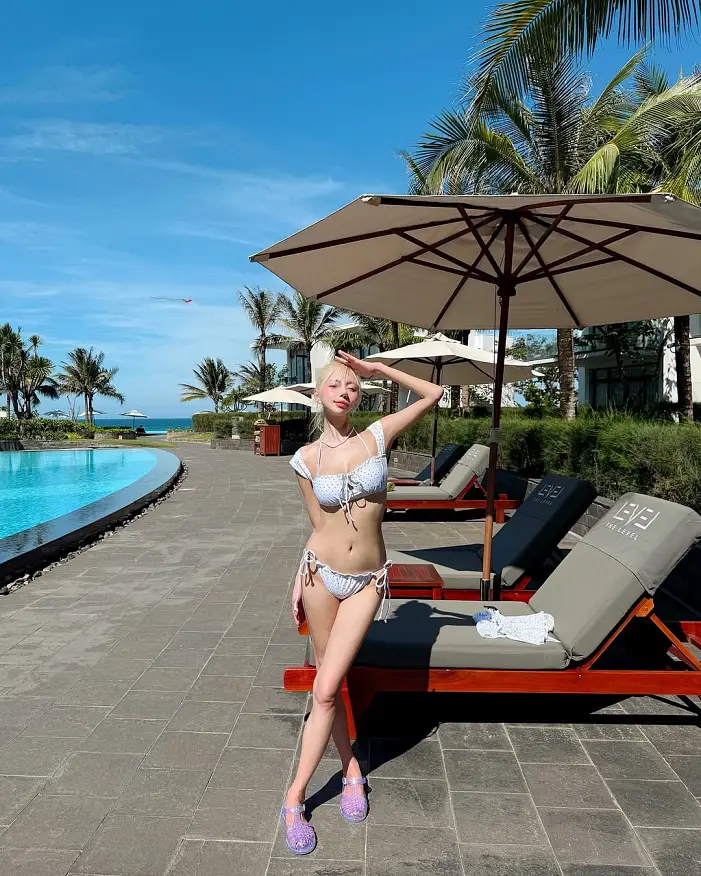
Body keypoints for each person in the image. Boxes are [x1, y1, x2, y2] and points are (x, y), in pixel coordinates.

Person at [281, 350, 443, 855]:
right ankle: (349, 769)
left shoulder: (377, 436)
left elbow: (434, 393)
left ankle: (294, 795)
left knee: (326, 687)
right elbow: (317, 525)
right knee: (330, 688)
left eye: (352, 386)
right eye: (335, 384)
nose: (344, 391)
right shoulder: (306, 459)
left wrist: (378, 370)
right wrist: (298, 575)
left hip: (368, 580)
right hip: (320, 575)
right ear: (318, 394)